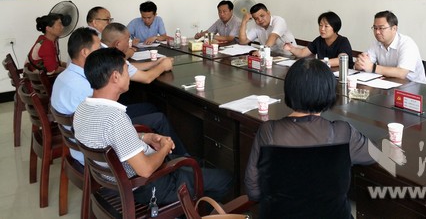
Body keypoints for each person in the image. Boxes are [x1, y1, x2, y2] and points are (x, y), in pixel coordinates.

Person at [73, 47, 232, 205]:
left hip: (114, 181)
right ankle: (189, 212)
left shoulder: (82, 109)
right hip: (149, 186)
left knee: (194, 163)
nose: (129, 75)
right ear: (115, 76)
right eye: (126, 70)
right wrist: (165, 148)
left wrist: (145, 137)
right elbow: (146, 170)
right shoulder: (115, 118)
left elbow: (110, 137)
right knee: (225, 179)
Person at [244, 58, 374, 207]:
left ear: (289, 89)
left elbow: (253, 191)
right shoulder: (343, 133)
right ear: (329, 92)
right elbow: (376, 155)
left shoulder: (268, 131)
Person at [50, 27, 189, 164]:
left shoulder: (64, 76)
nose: (102, 50)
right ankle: (180, 160)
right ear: (85, 52)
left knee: (149, 107)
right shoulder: (83, 87)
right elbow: (108, 126)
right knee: (159, 118)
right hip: (95, 153)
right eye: (98, 48)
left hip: (80, 144)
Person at [354, 10, 426, 83]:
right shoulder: (376, 43)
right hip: (389, 83)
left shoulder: (407, 44)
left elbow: (401, 73)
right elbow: (365, 63)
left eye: (381, 28)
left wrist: (373, 67)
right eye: (375, 28)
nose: (377, 32)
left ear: (394, 29)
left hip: (414, 86)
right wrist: (360, 65)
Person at [283, 11, 353, 68]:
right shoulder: (319, 40)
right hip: (324, 73)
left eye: (326, 26)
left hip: (343, 75)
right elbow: (302, 52)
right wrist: (291, 48)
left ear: (335, 27)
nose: (322, 29)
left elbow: (341, 60)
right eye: (320, 25)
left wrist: (319, 62)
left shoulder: (343, 41)